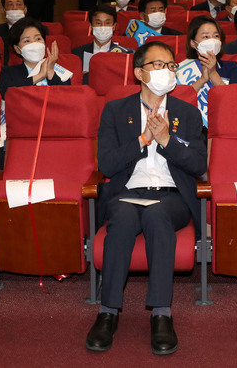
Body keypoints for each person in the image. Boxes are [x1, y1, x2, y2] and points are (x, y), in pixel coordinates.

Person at [85, 41, 206, 356]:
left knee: (156, 216)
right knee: (123, 220)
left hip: (171, 195)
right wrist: (143, 139)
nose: (166, 71)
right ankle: (108, 311)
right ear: (139, 72)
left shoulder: (188, 114)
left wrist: (165, 140)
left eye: (170, 65)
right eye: (157, 65)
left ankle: (161, 314)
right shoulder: (116, 110)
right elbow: (108, 164)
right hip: (127, 192)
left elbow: (199, 166)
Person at [176, 15, 237, 129]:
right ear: (193, 43)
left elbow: (235, 101)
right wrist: (202, 80)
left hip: (224, 124)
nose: (212, 40)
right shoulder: (180, 69)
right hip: (190, 126)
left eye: (216, 36)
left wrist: (213, 73)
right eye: (206, 36)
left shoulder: (232, 67)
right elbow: (178, 103)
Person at [0, 17, 70, 97]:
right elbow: (6, 92)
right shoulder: (9, 72)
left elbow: (66, 97)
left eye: (38, 39)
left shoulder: (59, 72)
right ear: (17, 49)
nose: (34, 43)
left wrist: (50, 73)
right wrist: (39, 76)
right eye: (27, 41)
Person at [72, 4, 135, 85]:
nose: (102, 27)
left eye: (107, 23)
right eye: (98, 23)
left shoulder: (126, 54)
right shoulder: (78, 52)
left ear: (114, 26)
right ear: (91, 26)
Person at [0, 0, 49, 66]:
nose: (15, 8)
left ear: (25, 9)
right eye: (10, 4)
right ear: (4, 10)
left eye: (19, 4)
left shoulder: (40, 29)